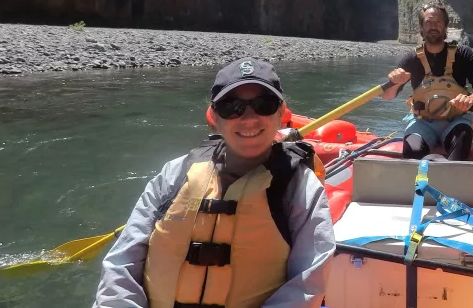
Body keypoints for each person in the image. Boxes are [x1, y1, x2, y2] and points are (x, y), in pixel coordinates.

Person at [93, 58, 335, 308]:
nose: (249, 119)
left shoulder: (300, 189)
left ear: (282, 113)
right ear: (214, 117)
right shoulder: (175, 174)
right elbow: (121, 265)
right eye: (232, 107)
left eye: (264, 105)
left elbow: (307, 284)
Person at [381, 3, 473, 161]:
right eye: (428, 22)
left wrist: (471, 99)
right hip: (422, 122)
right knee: (412, 150)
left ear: (445, 26)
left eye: (438, 22)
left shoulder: (463, 54)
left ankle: (450, 179)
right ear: (421, 27)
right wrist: (396, 82)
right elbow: (386, 96)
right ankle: (418, 183)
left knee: (462, 139)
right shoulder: (410, 59)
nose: (433, 26)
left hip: (456, 120)